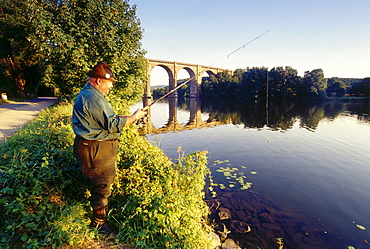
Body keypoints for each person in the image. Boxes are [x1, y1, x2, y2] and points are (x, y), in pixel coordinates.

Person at [72, 62, 146, 234]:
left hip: (94, 148)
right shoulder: (93, 98)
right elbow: (112, 124)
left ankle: (100, 218)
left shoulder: (90, 95)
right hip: (95, 149)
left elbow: (106, 119)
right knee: (101, 186)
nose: (111, 85)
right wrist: (134, 118)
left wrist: (131, 116)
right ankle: (99, 223)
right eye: (110, 82)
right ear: (98, 81)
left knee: (101, 183)